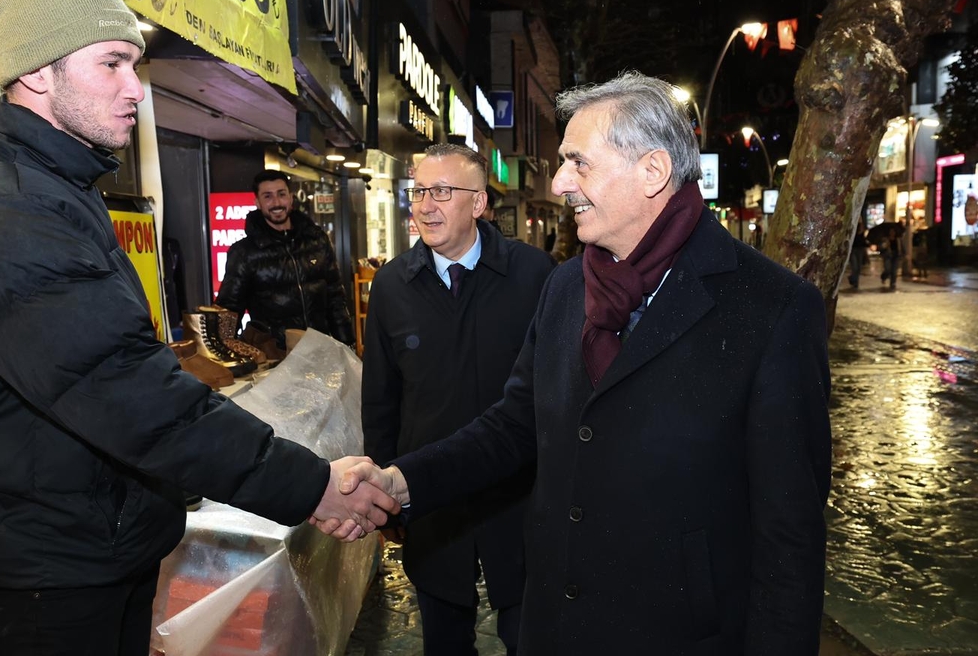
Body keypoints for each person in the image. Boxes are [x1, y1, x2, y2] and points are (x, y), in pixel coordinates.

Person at [0, 0, 395, 654]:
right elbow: (127, 392)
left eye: (136, 64)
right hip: (47, 572)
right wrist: (312, 487)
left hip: (75, 546)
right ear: (38, 73)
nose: (135, 88)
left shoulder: (50, 187)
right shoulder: (4, 209)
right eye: (111, 64)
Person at [329, 72, 832, 654]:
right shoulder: (567, 287)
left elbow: (789, 535)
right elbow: (512, 426)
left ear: (652, 170)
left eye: (578, 162)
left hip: (680, 634)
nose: (561, 182)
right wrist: (400, 481)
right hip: (555, 624)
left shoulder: (773, 308)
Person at [362, 144, 554, 655]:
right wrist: (386, 496)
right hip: (431, 499)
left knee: (529, 638)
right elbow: (380, 400)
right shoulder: (390, 286)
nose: (426, 205)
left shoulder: (535, 276)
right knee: (445, 645)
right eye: (419, 191)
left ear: (479, 203)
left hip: (519, 497)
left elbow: (559, 392)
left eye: (442, 192)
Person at [216, 170, 355, 351]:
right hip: (275, 356)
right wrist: (224, 356)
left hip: (320, 350)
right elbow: (229, 310)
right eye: (268, 196)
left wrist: (348, 344)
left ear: (290, 198)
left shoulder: (316, 240)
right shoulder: (244, 252)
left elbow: (335, 297)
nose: (276, 203)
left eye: (281, 194)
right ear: (257, 202)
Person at [847, 220, 867, 289]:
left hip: (860, 249)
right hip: (853, 249)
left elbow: (863, 240)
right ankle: (853, 279)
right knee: (855, 266)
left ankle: (856, 282)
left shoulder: (862, 231)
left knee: (858, 267)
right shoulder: (852, 228)